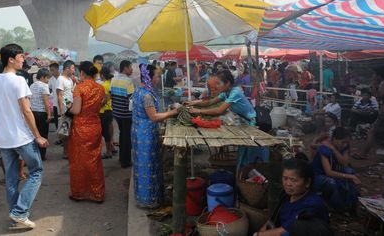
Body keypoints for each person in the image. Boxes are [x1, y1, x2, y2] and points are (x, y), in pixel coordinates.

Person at [0, 44, 49, 230]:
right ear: (11, 59)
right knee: (36, 171)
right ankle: (20, 212)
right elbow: (26, 110)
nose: (24, 60)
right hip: (21, 136)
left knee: (11, 178)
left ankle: (16, 213)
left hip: (4, 138)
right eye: (21, 57)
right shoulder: (18, 80)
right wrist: (38, 135)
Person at [187, 70, 268, 166]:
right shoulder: (225, 93)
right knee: (243, 149)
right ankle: (242, 171)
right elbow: (210, 102)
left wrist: (198, 111)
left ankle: (249, 171)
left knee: (248, 150)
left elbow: (219, 110)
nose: (216, 86)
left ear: (228, 83)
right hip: (242, 122)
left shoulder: (235, 92)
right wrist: (195, 103)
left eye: (218, 83)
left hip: (251, 123)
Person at [132, 64, 178, 208]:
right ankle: (149, 200)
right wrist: (172, 113)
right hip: (146, 135)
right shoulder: (146, 95)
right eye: (157, 76)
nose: (159, 78)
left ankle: (145, 197)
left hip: (138, 132)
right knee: (148, 165)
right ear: (148, 77)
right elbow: (153, 117)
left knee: (142, 165)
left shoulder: (140, 90)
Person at [254, 158, 329, 236]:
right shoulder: (286, 196)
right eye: (285, 178)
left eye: (293, 180)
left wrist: (258, 235)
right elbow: (273, 220)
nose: (288, 184)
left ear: (307, 182)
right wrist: (261, 232)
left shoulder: (313, 204)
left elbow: (284, 232)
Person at [68, 61, 105, 203]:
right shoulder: (100, 88)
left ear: (81, 73)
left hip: (81, 128)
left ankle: (79, 193)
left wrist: (68, 108)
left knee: (78, 160)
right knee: (94, 160)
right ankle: (97, 193)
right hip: (95, 126)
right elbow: (100, 103)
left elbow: (76, 110)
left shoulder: (79, 88)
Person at [354, 66, 384, 159]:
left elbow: (378, 97)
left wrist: (373, 85)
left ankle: (363, 154)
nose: (372, 75)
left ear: (379, 75)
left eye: (374, 74)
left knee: (371, 132)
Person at [313, 127, 360, 210]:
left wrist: (334, 149)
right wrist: (349, 176)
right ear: (334, 139)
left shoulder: (344, 146)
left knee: (351, 172)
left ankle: (350, 203)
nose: (344, 144)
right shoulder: (324, 149)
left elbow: (345, 163)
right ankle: (334, 205)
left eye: (346, 142)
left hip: (336, 170)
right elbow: (328, 172)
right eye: (342, 142)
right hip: (321, 175)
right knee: (331, 182)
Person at [110, 60, 135, 168]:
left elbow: (111, 95)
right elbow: (131, 99)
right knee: (127, 137)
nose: (132, 69)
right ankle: (126, 161)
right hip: (126, 114)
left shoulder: (113, 79)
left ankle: (121, 158)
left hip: (117, 113)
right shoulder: (128, 81)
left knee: (122, 134)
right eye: (130, 67)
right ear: (125, 68)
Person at [29, 68, 52, 160]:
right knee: (43, 134)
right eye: (47, 78)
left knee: (35, 134)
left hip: (33, 112)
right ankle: (42, 156)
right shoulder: (44, 86)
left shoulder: (32, 85)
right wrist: (49, 114)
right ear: (43, 77)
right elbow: (46, 102)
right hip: (42, 113)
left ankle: (34, 155)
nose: (48, 80)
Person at [99, 65, 114, 159]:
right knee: (109, 130)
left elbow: (105, 99)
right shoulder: (111, 83)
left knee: (105, 132)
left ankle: (108, 151)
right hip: (110, 109)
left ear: (102, 75)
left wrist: (97, 106)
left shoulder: (104, 85)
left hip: (104, 111)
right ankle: (111, 148)